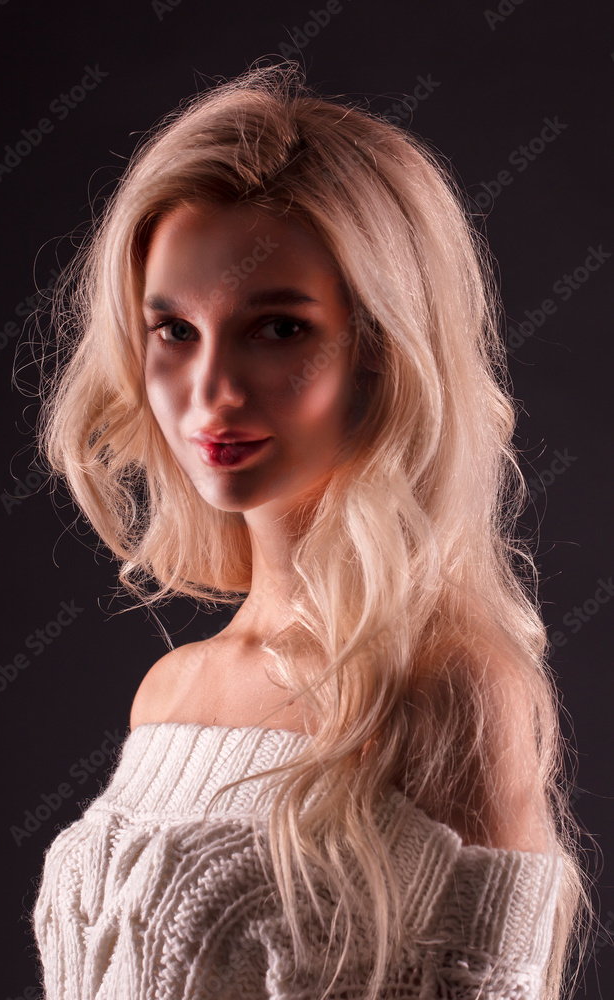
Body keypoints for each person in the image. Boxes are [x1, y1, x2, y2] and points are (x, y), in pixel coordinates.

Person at [29, 59, 589, 999]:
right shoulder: (168, 694)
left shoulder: (451, 693)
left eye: (277, 328)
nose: (211, 391)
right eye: (174, 330)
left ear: (381, 350)